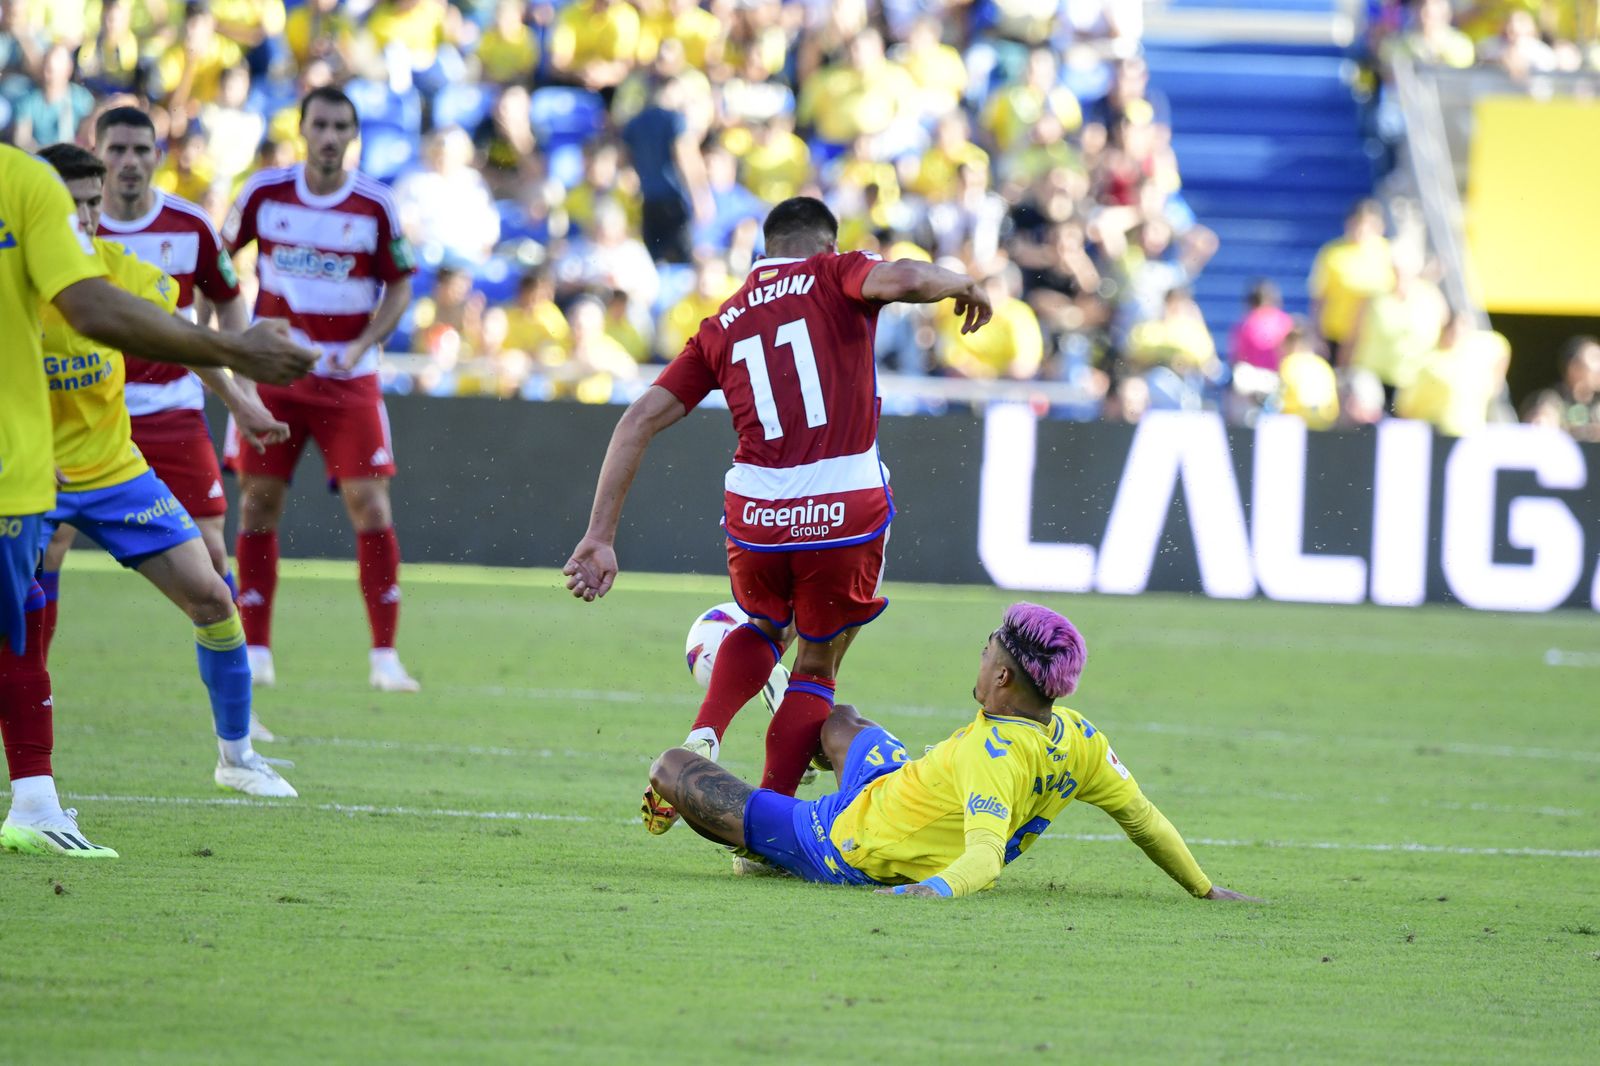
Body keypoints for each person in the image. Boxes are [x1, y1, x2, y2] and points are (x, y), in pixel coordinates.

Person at [564, 196, 992, 835]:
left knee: (766, 624)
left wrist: (599, 535)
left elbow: (638, 421)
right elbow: (903, 277)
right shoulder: (834, 272)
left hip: (757, 515)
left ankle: (703, 739)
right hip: (842, 508)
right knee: (816, 664)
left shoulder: (723, 320)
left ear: (764, 252)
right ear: (826, 243)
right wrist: (961, 281)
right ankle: (764, 833)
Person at [0, 143, 314, 858]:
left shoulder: (116, 273)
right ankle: (35, 797)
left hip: (113, 470)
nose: (83, 215)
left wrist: (243, 400)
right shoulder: (23, 277)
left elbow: (181, 340)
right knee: (25, 630)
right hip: (28, 475)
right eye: (70, 201)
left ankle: (237, 758)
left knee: (211, 594)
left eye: (89, 201)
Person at [648, 602, 1259, 901]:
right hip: (896, 784)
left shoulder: (995, 757)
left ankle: (771, 848)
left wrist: (929, 892)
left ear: (1002, 680)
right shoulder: (1080, 737)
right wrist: (1204, 889)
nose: (982, 650)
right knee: (839, 720)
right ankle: (801, 739)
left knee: (672, 769)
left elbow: (985, 857)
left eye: (990, 646)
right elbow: (1143, 819)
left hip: (846, 843)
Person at [43, 108, 283, 710]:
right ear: (95, 153)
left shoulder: (188, 226)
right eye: (116, 149)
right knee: (47, 552)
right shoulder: (51, 244)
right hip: (74, 416)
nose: (129, 162)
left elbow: (212, 312)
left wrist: (241, 393)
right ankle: (31, 680)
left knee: (208, 554)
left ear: (158, 156)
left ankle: (239, 709)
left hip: (170, 409)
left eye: (140, 150)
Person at [223, 87, 421, 693]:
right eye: (320, 125)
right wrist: (237, 340)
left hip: (348, 379)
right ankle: (255, 647)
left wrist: (365, 344)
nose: (330, 137)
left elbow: (400, 287)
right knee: (258, 503)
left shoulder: (376, 206)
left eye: (341, 127)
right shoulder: (263, 193)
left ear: (354, 135)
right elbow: (220, 266)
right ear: (302, 129)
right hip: (275, 374)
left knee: (371, 505)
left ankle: (384, 655)